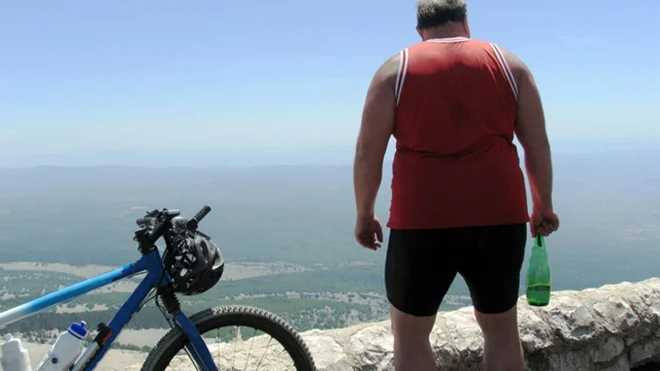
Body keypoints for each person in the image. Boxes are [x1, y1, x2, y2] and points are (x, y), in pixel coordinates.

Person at [352, 0, 560, 370]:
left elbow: (369, 154)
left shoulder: (394, 71)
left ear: (420, 30)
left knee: (411, 336)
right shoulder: (511, 66)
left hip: (421, 221)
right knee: (500, 331)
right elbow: (537, 145)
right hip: (500, 215)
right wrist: (543, 204)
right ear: (465, 21)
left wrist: (365, 214)